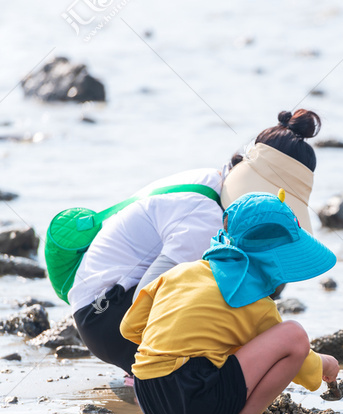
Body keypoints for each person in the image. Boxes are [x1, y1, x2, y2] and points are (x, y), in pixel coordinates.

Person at [70, 109, 321, 376]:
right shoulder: (206, 214)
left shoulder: (213, 180)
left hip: (100, 307)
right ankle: (150, 373)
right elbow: (151, 293)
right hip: (107, 318)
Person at [120, 192, 340, 414]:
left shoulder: (179, 273)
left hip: (150, 402)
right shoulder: (255, 305)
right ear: (274, 261)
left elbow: (129, 328)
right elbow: (301, 363)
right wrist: (325, 364)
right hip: (195, 404)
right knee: (294, 335)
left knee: (219, 344)